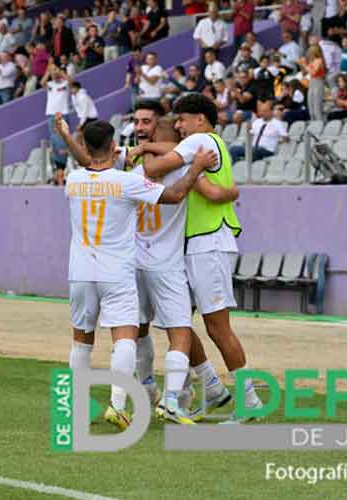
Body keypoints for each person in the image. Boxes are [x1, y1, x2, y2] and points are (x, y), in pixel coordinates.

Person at [63, 119, 213, 430]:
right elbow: (172, 196)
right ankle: (117, 405)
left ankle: (76, 406)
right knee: (125, 338)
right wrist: (196, 167)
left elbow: (88, 163)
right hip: (116, 272)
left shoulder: (72, 180)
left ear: (88, 146)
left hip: (79, 272)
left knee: (81, 340)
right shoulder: (124, 182)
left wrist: (66, 136)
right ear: (113, 144)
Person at [142, 93, 265, 423]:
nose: (178, 126)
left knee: (217, 327)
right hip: (198, 244)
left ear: (200, 119)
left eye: (182, 119)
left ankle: (249, 399)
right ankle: (210, 387)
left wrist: (141, 153)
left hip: (209, 242)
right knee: (176, 321)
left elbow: (155, 169)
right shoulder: (210, 142)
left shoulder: (199, 140)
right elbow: (213, 187)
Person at [42, 63, 71, 185]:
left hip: (63, 113)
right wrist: (49, 71)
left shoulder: (65, 84)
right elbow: (42, 83)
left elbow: (71, 81)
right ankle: (57, 171)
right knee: (54, 139)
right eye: (53, 71)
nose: (55, 73)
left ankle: (62, 170)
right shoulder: (50, 85)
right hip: (51, 114)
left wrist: (61, 72)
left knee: (64, 138)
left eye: (56, 71)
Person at [301, 44, 326, 122]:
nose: (309, 53)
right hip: (311, 83)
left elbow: (313, 72)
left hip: (318, 83)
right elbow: (304, 73)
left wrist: (305, 65)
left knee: (317, 108)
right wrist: (302, 65)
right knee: (311, 109)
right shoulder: (311, 61)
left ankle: (320, 125)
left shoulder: (319, 60)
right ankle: (314, 125)